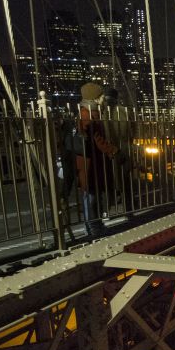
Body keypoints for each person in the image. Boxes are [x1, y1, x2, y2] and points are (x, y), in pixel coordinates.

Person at [76, 82, 121, 238]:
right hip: (91, 163)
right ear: (93, 98)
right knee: (91, 195)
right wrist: (113, 151)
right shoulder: (88, 114)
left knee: (93, 194)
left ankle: (95, 225)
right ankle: (93, 228)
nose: (103, 97)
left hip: (93, 162)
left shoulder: (90, 112)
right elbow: (97, 139)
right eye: (100, 95)